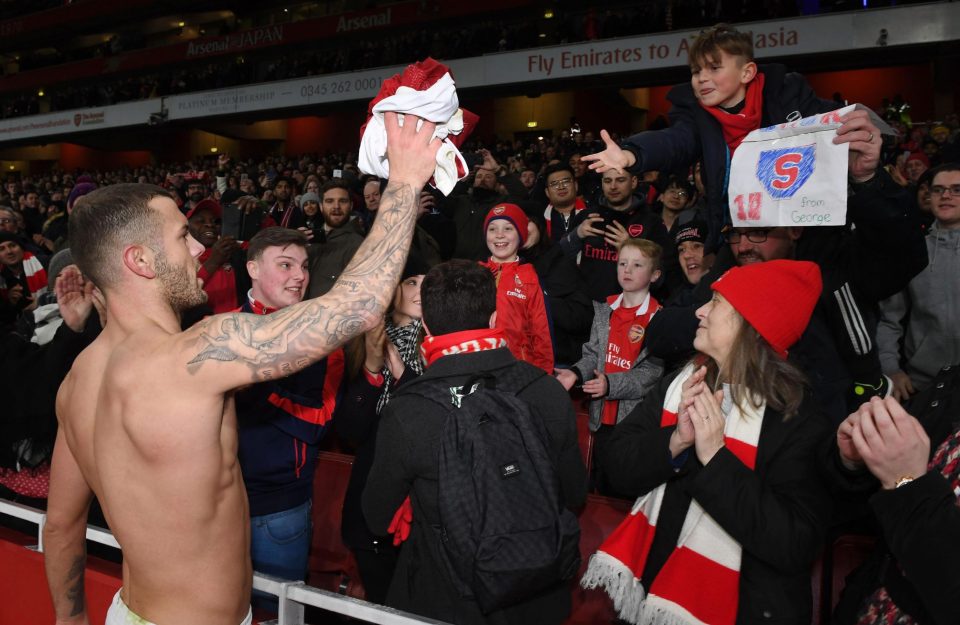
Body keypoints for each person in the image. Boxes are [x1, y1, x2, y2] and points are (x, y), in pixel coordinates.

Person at [43, 111, 441, 625]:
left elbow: (61, 527)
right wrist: (405, 183)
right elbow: (357, 306)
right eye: (182, 236)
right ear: (140, 261)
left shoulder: (78, 379)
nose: (200, 249)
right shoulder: (194, 354)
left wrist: (70, 620)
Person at [584, 260, 832, 625]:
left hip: (737, 610)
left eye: (716, 302)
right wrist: (676, 441)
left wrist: (716, 458)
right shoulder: (682, 383)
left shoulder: (798, 418)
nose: (700, 310)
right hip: (653, 597)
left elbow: (794, 542)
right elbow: (616, 465)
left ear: (752, 324)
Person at [361, 259, 587, 624]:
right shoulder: (546, 390)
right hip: (535, 595)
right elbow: (574, 494)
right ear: (496, 319)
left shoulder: (409, 409)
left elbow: (376, 516)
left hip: (445, 597)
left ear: (428, 326)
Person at [582, 23, 849, 253]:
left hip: (807, 233)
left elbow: (832, 124)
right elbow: (677, 140)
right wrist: (632, 153)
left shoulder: (787, 93)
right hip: (738, 233)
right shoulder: (694, 112)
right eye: (696, 71)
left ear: (747, 73)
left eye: (713, 68)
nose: (702, 79)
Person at [234, 227, 345, 611]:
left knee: (274, 612)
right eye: (285, 265)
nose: (299, 275)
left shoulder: (322, 338)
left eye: (303, 266)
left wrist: (257, 388)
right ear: (252, 268)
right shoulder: (222, 328)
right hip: (214, 502)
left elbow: (319, 423)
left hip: (279, 509)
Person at [825, 379, 960, 625]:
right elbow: (869, 508)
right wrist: (858, 458)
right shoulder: (952, 386)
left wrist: (905, 482)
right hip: (867, 601)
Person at [556, 238, 665, 494]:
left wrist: (610, 384)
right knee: (599, 483)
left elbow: (651, 374)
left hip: (633, 422)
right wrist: (575, 373)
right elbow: (594, 354)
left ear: (655, 274)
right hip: (601, 417)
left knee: (624, 486)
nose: (626, 270)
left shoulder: (659, 318)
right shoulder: (605, 310)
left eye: (637, 265)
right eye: (622, 263)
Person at [877, 163, 960, 400]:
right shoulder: (911, 253)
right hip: (925, 384)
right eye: (938, 190)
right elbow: (889, 319)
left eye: (956, 189)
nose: (946, 195)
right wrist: (891, 369)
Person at [479, 203, 554, 373]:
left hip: (518, 369)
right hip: (480, 367)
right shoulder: (474, 273)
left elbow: (541, 332)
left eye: (508, 228)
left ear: (521, 235)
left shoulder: (529, 276)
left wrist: (545, 377)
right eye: (492, 229)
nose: (499, 235)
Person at [305, 179, 366, 298]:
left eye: (342, 201)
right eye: (329, 201)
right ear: (321, 207)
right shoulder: (310, 239)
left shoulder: (359, 245)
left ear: (351, 206)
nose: (336, 206)